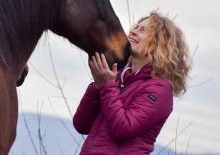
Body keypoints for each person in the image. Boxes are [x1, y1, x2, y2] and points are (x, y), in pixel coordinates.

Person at [73, 11, 191, 155]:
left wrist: (107, 86)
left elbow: (123, 129)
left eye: (142, 30)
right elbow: (81, 124)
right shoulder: (117, 78)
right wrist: (97, 86)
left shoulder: (160, 89)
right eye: (135, 28)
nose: (133, 32)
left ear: (160, 43)